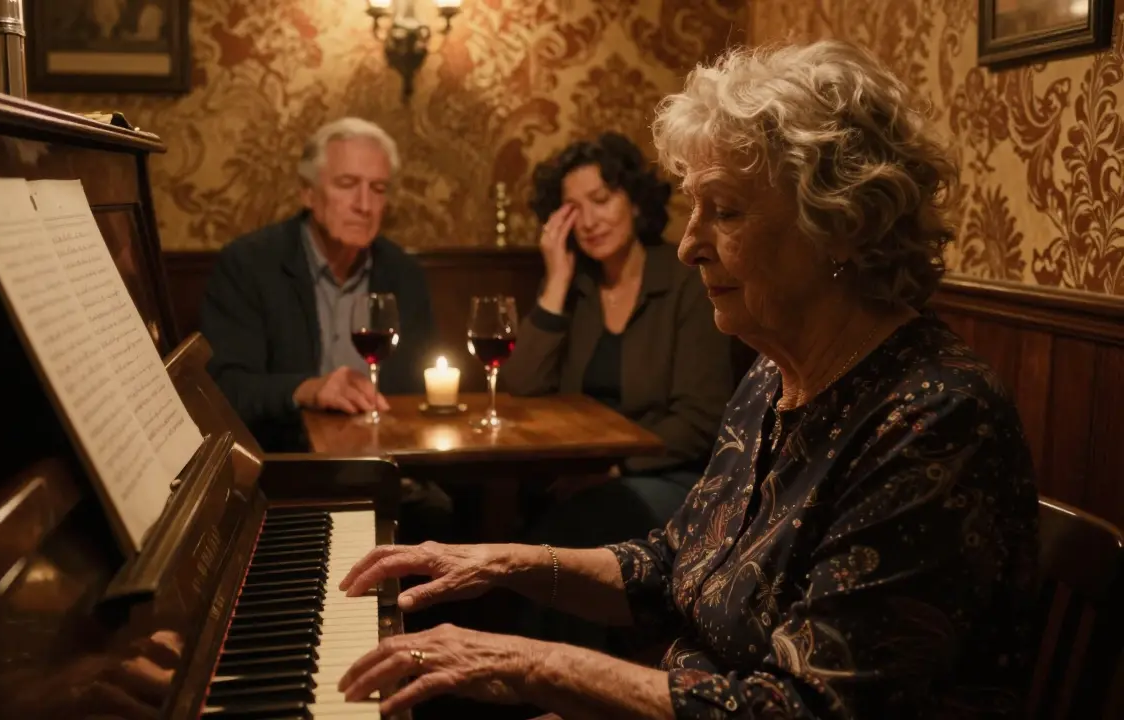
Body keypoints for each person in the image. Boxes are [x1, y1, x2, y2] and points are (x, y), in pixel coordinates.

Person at [332, 40, 1039, 719]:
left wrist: (530, 665)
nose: (690, 243)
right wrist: (501, 562)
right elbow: (675, 564)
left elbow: (803, 707)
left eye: (724, 210)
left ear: (842, 223)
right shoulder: (772, 376)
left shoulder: (933, 418)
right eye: (692, 207)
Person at [504, 132, 733, 542]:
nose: (589, 221)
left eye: (601, 199)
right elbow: (521, 387)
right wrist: (556, 281)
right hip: (574, 478)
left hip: (667, 476)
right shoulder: (574, 284)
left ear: (635, 201)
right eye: (574, 209)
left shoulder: (685, 281)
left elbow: (699, 420)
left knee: (576, 524)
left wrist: (614, 469)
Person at [201, 117, 435, 453]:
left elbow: (418, 388)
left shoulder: (402, 273)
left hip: (387, 460)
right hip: (288, 463)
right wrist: (307, 389)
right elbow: (223, 388)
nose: (364, 205)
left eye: (378, 189)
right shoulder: (250, 265)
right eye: (347, 184)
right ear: (308, 193)